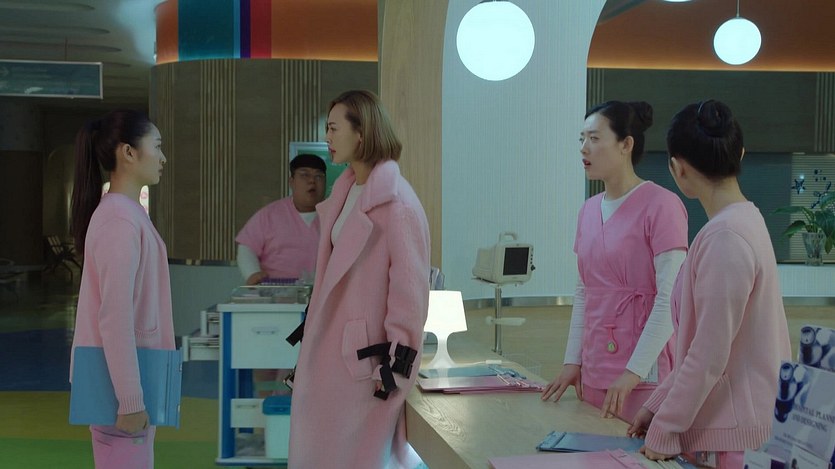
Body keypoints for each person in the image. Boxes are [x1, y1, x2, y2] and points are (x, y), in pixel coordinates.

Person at [627, 100, 792, 467]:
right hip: (733, 425)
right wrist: (658, 405)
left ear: (678, 168)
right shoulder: (741, 222)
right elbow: (702, 348)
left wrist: (666, 426)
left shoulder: (726, 236)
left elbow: (708, 354)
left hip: (733, 437)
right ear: (741, 154)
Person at [288, 90, 430, 468]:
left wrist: (396, 366)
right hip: (331, 353)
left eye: (334, 128)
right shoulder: (347, 190)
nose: (328, 137)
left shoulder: (397, 204)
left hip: (365, 366)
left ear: (362, 133)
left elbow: (410, 295)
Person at [541, 101, 689, 423]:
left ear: (626, 144)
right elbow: (584, 292)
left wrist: (633, 373)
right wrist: (573, 361)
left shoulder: (663, 206)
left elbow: (671, 299)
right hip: (595, 370)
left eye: (594, 138)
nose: (584, 148)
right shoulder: (588, 210)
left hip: (644, 375)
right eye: (581, 139)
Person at [69, 110, 172, 468]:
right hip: (120, 393)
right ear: (128, 152)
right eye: (157, 146)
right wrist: (130, 402)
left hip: (132, 381)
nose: (163, 157)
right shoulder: (118, 220)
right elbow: (114, 318)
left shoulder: (127, 215)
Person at [235, 153, 326, 285]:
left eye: (318, 176)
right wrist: (252, 273)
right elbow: (247, 247)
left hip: (322, 291)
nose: (312, 181)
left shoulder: (335, 215)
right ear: (291, 182)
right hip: (275, 291)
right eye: (304, 175)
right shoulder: (269, 214)